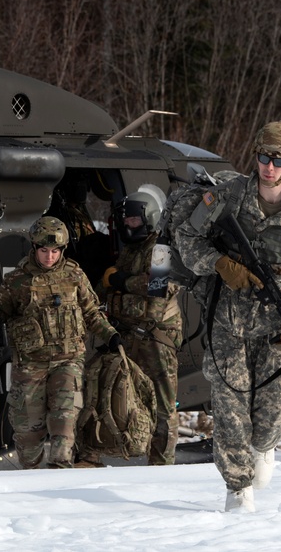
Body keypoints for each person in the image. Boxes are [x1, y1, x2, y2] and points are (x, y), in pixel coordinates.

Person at [171, 121, 281, 513]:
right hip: (228, 318)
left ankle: (265, 446)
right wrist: (221, 263)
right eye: (263, 157)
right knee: (229, 403)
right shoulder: (226, 198)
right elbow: (187, 241)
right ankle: (237, 488)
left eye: (278, 160)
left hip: (278, 321)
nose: (269, 167)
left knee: (273, 406)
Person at [0, 216, 122, 469]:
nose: (49, 257)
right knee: (28, 431)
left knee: (64, 422)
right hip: (31, 364)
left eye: (54, 251)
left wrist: (111, 335)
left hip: (68, 360)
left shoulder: (74, 275)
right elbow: (0, 318)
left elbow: (91, 313)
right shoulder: (16, 281)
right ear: (35, 249)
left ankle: (60, 475)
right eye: (44, 251)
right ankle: (31, 476)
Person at [98, 188, 183, 465]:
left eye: (134, 220)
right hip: (130, 335)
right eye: (127, 220)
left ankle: (162, 463)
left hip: (156, 339)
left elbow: (159, 285)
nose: (128, 224)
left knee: (162, 405)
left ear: (149, 218)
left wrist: (121, 281)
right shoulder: (131, 250)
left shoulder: (161, 249)